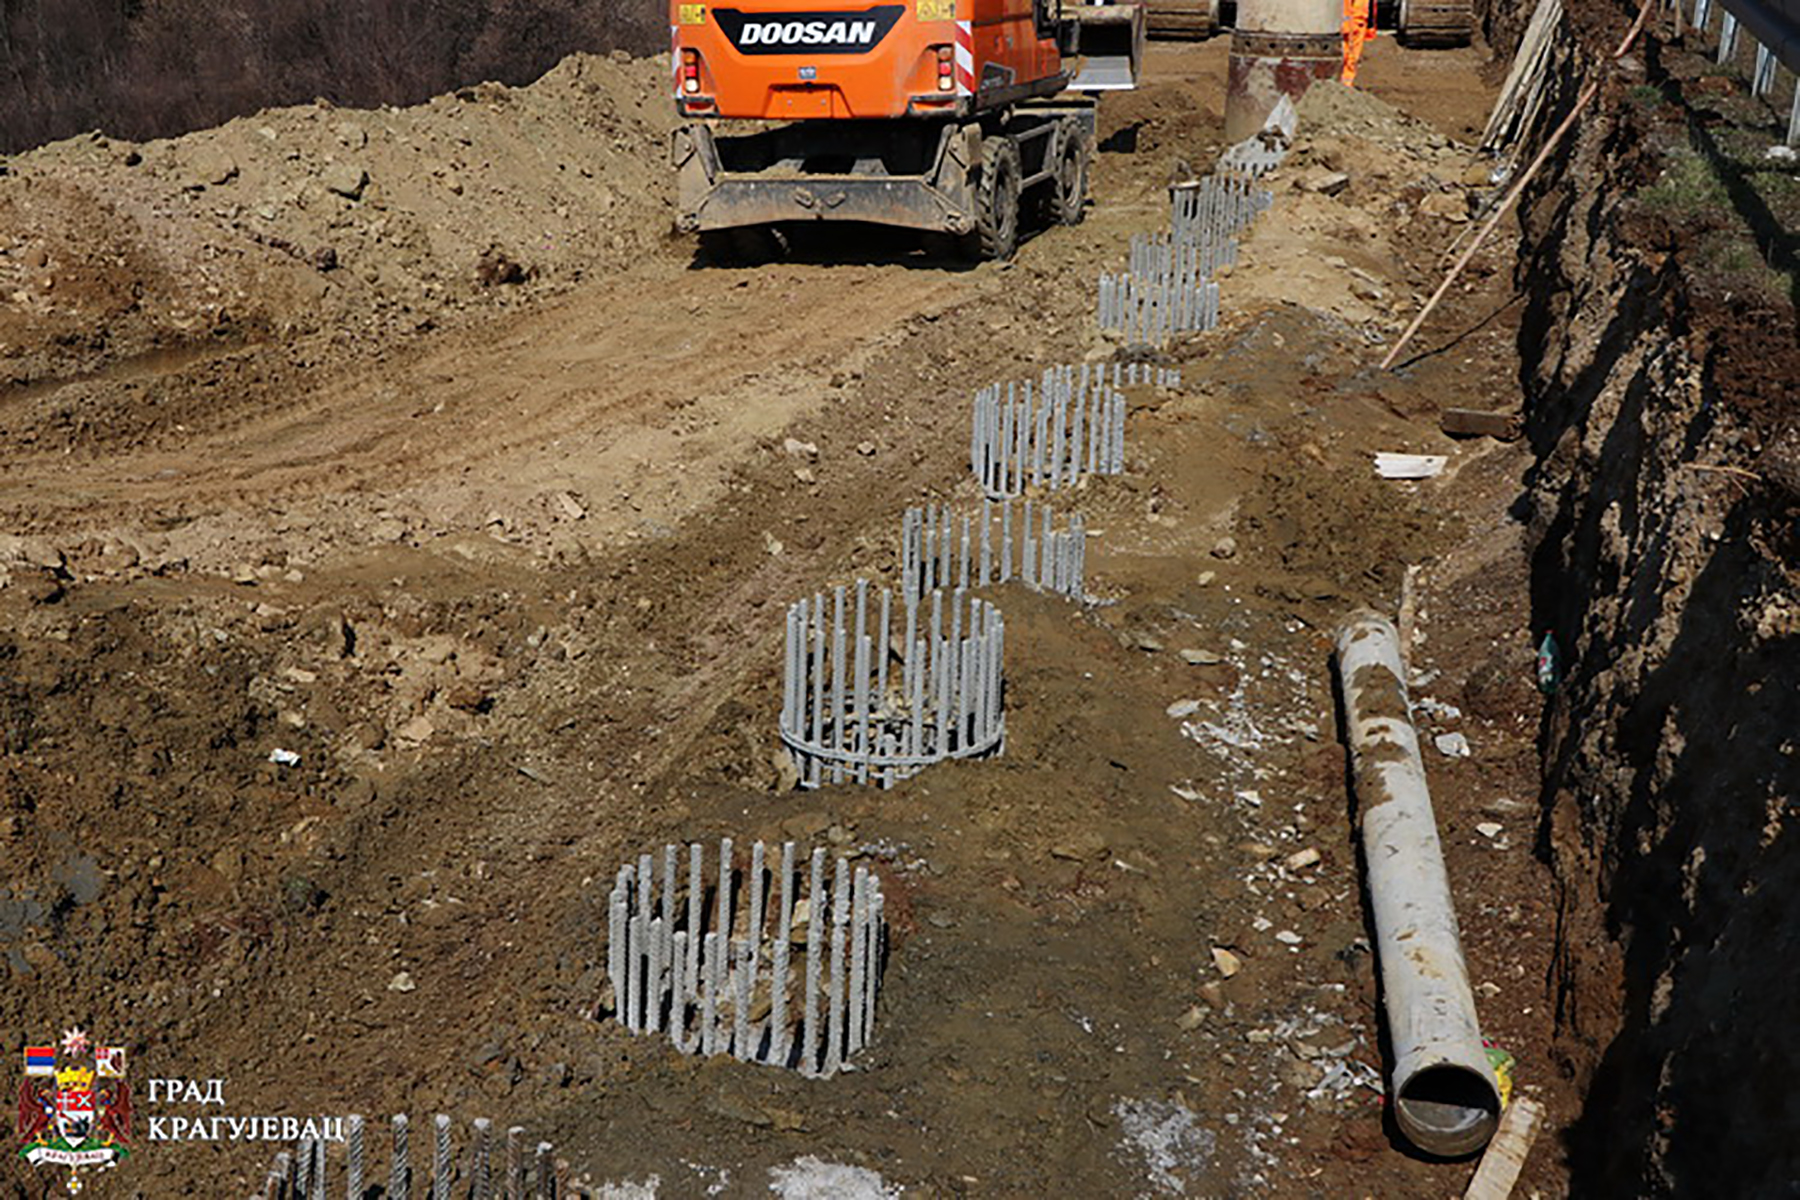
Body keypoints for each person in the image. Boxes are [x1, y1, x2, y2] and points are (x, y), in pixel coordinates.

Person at [1341, 0, 1376, 86]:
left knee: (1351, 57)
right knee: (1348, 56)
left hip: (1356, 23)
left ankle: (1346, 82)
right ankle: (1345, 82)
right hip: (1353, 24)